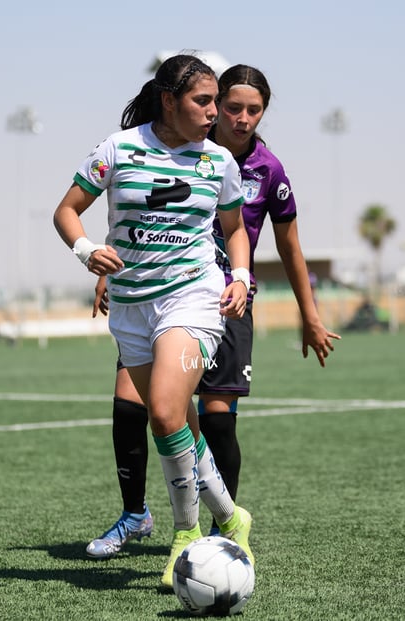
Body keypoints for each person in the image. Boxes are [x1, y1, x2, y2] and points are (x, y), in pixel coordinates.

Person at [84, 62, 341, 560]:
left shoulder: (265, 171)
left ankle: (220, 529)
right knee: (133, 407)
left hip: (223, 302)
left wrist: (308, 315)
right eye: (231, 107)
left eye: (254, 110)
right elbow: (138, 218)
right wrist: (106, 272)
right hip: (151, 298)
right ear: (212, 106)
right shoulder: (174, 148)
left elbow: (289, 248)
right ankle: (136, 514)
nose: (242, 117)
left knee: (214, 418)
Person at [53, 54, 254, 588]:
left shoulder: (219, 162)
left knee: (163, 414)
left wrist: (239, 276)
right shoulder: (119, 149)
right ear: (170, 100)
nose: (215, 112)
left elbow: (235, 229)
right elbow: (66, 211)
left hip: (193, 299)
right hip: (131, 307)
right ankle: (233, 517)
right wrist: (86, 251)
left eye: (216, 102)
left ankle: (187, 534)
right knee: (180, 422)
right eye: (203, 101)